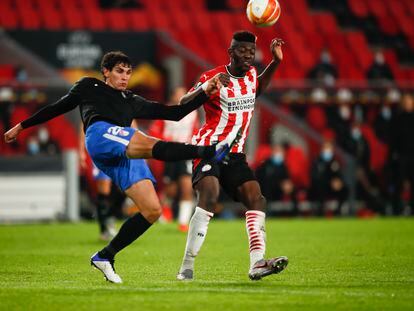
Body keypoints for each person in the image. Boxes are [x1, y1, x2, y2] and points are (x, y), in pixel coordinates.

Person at [4, 51, 240, 284]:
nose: (125, 76)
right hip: (101, 137)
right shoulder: (89, 86)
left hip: (124, 149)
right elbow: (57, 107)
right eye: (119, 71)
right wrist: (21, 126)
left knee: (152, 210)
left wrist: (204, 91)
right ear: (105, 71)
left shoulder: (131, 100)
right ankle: (209, 151)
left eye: (128, 72)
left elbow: (176, 114)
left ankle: (105, 256)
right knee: (147, 141)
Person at [176, 31, 288, 281]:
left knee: (256, 199)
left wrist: (275, 62)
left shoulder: (250, 77)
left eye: (251, 51)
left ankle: (257, 263)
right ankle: (186, 266)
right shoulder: (214, 77)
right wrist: (206, 88)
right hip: (209, 151)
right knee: (210, 195)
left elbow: (257, 88)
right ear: (230, 52)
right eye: (241, 50)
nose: (248, 55)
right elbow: (183, 103)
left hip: (235, 155)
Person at [149, 87, 199, 232]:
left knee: (186, 186)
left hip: (185, 152)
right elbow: (155, 131)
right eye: (179, 93)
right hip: (169, 152)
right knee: (171, 190)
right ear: (172, 96)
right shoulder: (165, 110)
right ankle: (165, 208)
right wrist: (166, 140)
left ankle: (183, 222)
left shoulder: (192, 113)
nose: (182, 96)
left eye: (184, 93)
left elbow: (195, 131)